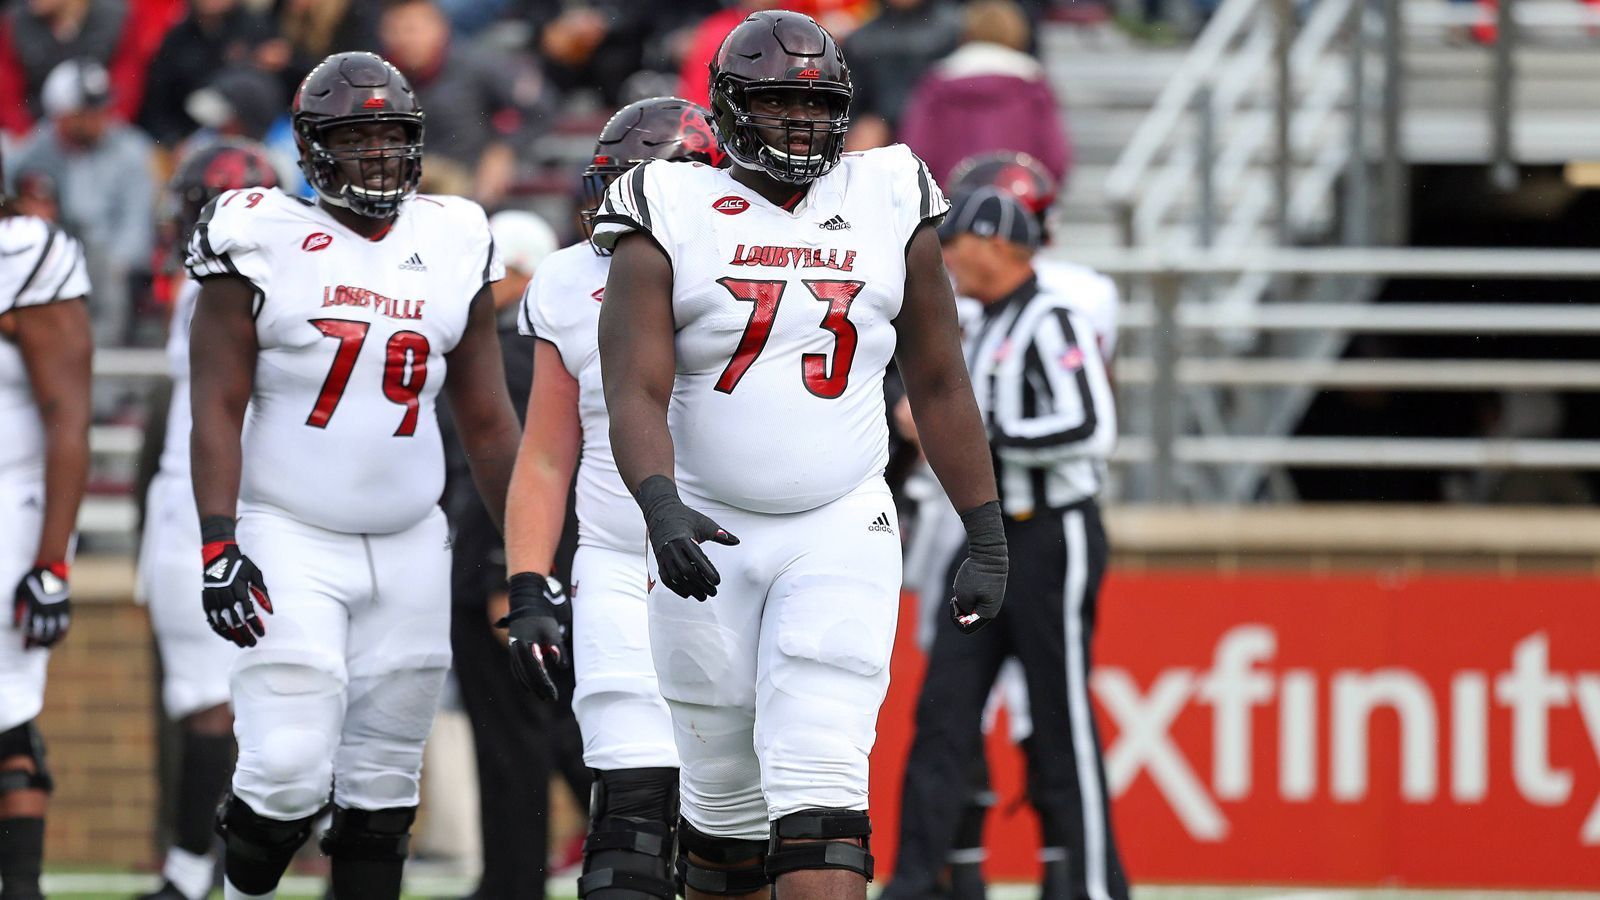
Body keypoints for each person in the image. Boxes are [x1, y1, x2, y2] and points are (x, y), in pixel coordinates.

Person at [592, 12, 1007, 900]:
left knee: (822, 786)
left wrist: (985, 527)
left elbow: (939, 379)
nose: (798, 124)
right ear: (730, 108)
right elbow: (633, 386)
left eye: (815, 106)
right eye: (777, 103)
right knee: (727, 821)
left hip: (840, 521)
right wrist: (661, 504)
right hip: (708, 530)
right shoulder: (665, 202)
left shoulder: (892, 191)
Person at [185, 51, 520, 900]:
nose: (375, 154)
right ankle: (242, 875)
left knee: (383, 789)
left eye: (390, 136)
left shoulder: (454, 235)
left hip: (410, 538)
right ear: (310, 147)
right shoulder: (258, 233)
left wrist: (532, 560)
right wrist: (218, 542)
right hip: (288, 529)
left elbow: (487, 419)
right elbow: (216, 406)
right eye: (354, 136)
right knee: (287, 769)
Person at [500, 96, 726, 900]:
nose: (620, 207)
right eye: (613, 186)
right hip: (621, 562)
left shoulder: (761, 262)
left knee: (739, 832)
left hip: (743, 568)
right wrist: (529, 581)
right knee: (630, 813)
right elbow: (547, 452)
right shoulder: (567, 279)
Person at [885, 188, 1128, 900]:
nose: (948, 261)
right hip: (986, 538)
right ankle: (915, 880)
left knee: (1061, 719)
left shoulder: (1052, 320)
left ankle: (1089, 883)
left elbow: (1088, 427)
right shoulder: (986, 324)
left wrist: (981, 439)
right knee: (943, 715)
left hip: (1051, 536)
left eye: (955, 245)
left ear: (992, 242)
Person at [135, 138, 281, 900]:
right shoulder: (228, 283)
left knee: (216, 702)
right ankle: (201, 864)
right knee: (211, 698)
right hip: (217, 498)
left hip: (222, 503)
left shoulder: (232, 285)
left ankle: (199, 868)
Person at [438, 207, 559, 900]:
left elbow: (508, 472)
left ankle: (514, 882)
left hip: (507, 572)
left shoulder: (512, 349)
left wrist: (501, 576)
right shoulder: (524, 343)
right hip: (524, 568)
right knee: (532, 736)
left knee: (522, 739)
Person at [0, 143, 92, 900]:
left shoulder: (27, 252)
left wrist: (52, 561)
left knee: (6, 715)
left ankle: (22, 888)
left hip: (8, 505)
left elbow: (69, 417)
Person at [11, 57, 155, 346]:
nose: (102, 116)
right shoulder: (36, 149)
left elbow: (137, 225)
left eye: (102, 108)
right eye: (89, 111)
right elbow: (13, 199)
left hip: (110, 267)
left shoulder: (131, 149)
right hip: (52, 259)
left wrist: (111, 266)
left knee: (108, 273)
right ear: (63, 115)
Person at [378, 0, 551, 207]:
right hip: (397, 192)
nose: (404, 39)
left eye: (412, 29)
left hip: (470, 190)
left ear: (440, 29)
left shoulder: (478, 65)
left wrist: (505, 150)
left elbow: (540, 108)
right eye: (394, 30)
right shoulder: (376, 78)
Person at [897, 0, 1070, 187]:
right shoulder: (1032, 87)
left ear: (966, 33)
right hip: (1018, 200)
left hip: (952, 204)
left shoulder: (938, 85)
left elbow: (917, 152)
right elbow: (1055, 159)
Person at [840, 0, 961, 150]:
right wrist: (860, 125)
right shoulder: (860, 40)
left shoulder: (956, 30)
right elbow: (850, 100)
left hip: (941, 127)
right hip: (881, 132)